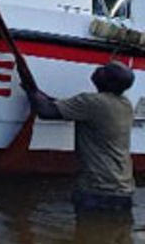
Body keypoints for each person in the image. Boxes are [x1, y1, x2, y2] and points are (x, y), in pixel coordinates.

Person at [24, 61, 136, 212]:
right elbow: (58, 104)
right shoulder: (124, 104)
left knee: (89, 231)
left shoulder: (92, 102)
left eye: (104, 71)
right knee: (113, 233)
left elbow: (46, 111)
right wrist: (39, 94)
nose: (98, 69)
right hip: (123, 189)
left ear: (109, 82)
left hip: (98, 189)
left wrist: (29, 88)